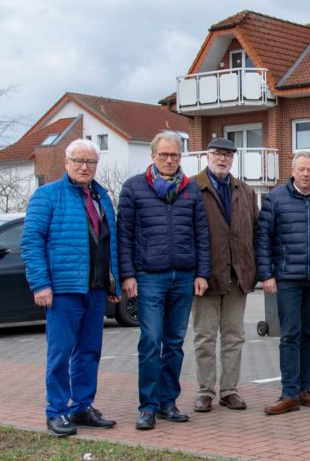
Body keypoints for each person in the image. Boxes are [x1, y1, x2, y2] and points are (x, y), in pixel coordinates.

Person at [22, 138, 123, 436]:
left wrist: (112, 279)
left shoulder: (102, 198)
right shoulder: (47, 196)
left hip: (94, 288)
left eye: (90, 162)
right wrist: (41, 284)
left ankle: (81, 406)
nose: (84, 166)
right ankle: (56, 411)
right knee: (60, 353)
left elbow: (110, 243)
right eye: (78, 160)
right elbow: (31, 242)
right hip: (63, 289)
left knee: (89, 351)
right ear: (66, 162)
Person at [117, 131, 211, 431]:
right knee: (150, 341)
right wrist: (127, 274)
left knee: (173, 344)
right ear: (153, 156)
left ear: (180, 157)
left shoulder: (191, 189)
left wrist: (202, 273)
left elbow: (202, 235)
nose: (169, 160)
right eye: (164, 155)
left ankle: (168, 402)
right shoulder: (133, 188)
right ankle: (147, 406)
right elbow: (124, 236)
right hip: (149, 277)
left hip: (184, 276)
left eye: (174, 155)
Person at [256, 151, 310, 415]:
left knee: (308, 334)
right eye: (300, 169)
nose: (305, 174)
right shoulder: (276, 198)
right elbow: (263, 238)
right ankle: (288, 393)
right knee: (290, 334)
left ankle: (304, 389)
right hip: (287, 279)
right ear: (292, 171)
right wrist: (266, 274)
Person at [191, 137, 258, 413]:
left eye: (228, 155)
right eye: (218, 154)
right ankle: (205, 391)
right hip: (205, 277)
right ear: (207, 156)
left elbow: (255, 231)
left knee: (234, 336)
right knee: (205, 336)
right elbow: (187, 235)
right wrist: (197, 271)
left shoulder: (244, 191)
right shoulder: (193, 188)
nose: (223, 159)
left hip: (236, 275)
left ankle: (229, 390)